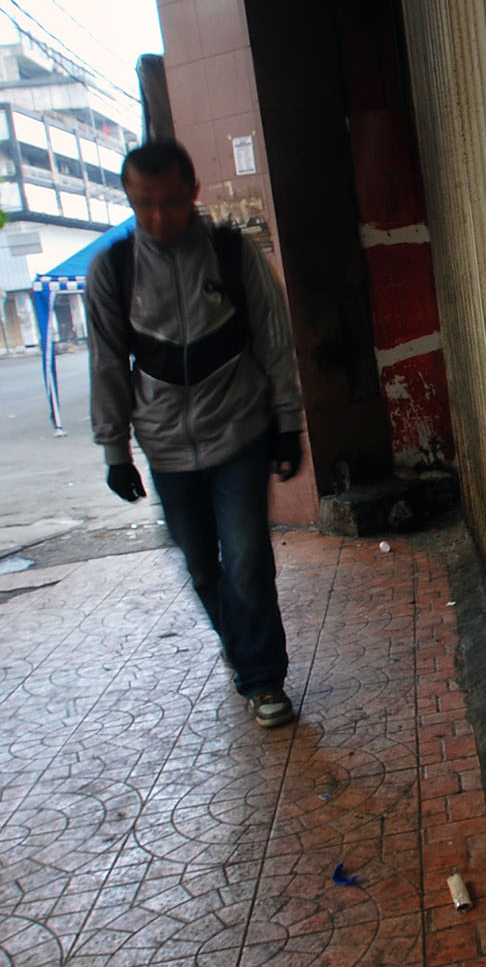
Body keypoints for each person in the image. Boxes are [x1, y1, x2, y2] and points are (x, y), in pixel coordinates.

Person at [86, 139, 304, 728]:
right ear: (130, 201)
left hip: (239, 431)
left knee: (248, 560)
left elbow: (274, 340)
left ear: (194, 193)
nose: (159, 218)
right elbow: (106, 363)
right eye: (144, 205)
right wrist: (115, 451)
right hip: (165, 446)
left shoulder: (232, 255)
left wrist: (289, 424)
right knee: (204, 568)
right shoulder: (113, 270)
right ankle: (243, 646)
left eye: (171, 203)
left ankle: (261, 678)